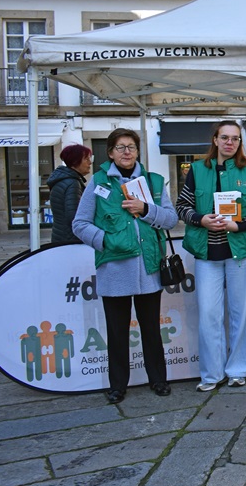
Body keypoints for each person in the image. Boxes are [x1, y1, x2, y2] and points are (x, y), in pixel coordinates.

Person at [72, 128, 179, 404]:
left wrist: (145, 210)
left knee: (151, 330)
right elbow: (80, 224)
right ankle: (118, 385)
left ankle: (158, 379)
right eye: (120, 147)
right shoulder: (98, 183)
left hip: (149, 270)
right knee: (117, 332)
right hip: (114, 270)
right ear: (110, 153)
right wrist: (105, 240)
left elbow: (170, 219)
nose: (127, 152)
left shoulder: (154, 182)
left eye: (131, 146)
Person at [176, 121, 246, 391]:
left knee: (242, 312)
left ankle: (238, 369)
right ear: (215, 140)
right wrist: (200, 219)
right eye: (225, 138)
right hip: (207, 252)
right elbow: (182, 207)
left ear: (240, 143)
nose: (230, 143)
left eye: (235, 139)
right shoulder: (195, 170)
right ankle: (211, 374)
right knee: (209, 314)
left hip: (242, 250)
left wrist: (238, 225)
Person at [48, 144, 92, 244]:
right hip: (70, 240)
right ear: (75, 161)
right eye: (86, 159)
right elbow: (74, 216)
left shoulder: (63, 180)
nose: (90, 163)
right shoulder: (72, 183)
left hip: (61, 236)